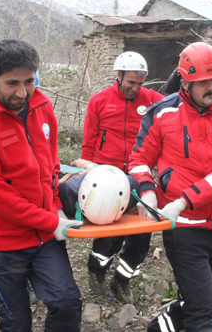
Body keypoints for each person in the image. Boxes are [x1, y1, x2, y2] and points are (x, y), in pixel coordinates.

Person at [0, 39, 83, 331]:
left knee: (66, 302)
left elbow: (50, 165)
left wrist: (54, 208)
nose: (22, 92)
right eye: (12, 83)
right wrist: (51, 220)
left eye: (29, 81)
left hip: (43, 235)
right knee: (15, 322)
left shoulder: (41, 106)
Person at [133, 42, 212, 332]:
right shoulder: (161, 113)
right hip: (182, 229)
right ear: (185, 82)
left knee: (211, 298)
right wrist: (147, 191)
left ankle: (159, 328)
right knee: (203, 314)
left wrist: (182, 200)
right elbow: (139, 159)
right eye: (202, 82)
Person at [65, 51, 163, 304]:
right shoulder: (99, 101)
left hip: (138, 178)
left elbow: (178, 103)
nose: (135, 88)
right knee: (110, 234)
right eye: (131, 82)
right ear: (118, 76)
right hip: (107, 181)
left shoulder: (152, 100)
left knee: (142, 236)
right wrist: (87, 167)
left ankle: (123, 280)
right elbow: (88, 146)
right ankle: (97, 269)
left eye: (140, 84)